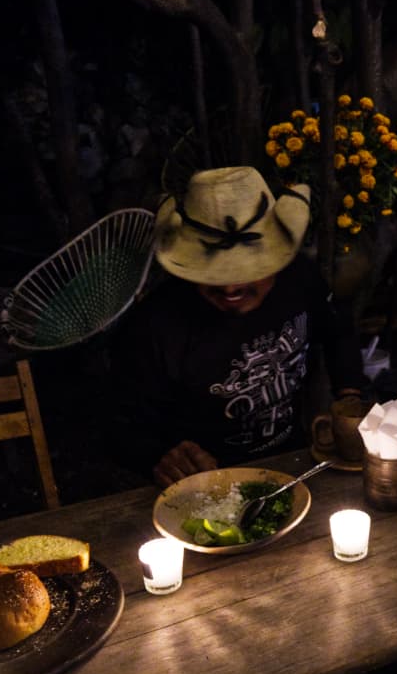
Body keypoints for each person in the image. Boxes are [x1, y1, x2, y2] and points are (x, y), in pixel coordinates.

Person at [110, 166, 365, 487]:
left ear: (277, 259)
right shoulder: (155, 324)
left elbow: (338, 328)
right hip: (204, 486)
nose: (230, 288)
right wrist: (161, 457)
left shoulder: (299, 278)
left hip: (294, 462)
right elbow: (121, 427)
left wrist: (351, 396)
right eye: (212, 273)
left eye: (247, 270)